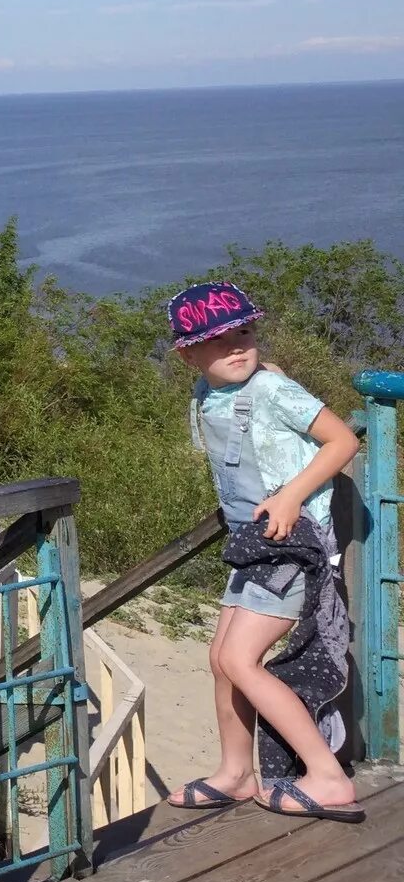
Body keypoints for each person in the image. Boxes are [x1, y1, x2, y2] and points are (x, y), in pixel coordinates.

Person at [163, 282, 363, 821]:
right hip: (252, 543)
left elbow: (343, 441)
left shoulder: (273, 391)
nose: (237, 346)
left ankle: (327, 775)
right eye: (219, 339)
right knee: (220, 660)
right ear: (187, 354)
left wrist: (291, 495)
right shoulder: (207, 396)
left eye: (245, 332)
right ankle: (236, 773)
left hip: (292, 544)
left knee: (238, 658)